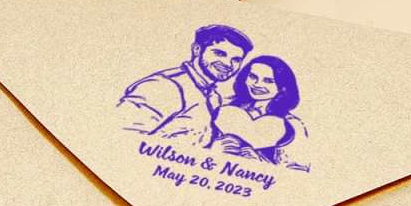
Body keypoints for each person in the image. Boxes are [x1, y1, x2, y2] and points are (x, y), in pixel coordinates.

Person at [118, 24, 253, 145]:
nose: (228, 64)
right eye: (220, 53)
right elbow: (122, 137)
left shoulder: (213, 97)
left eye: (236, 60)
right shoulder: (165, 85)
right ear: (197, 50)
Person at [213, 55, 310, 168]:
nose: (257, 84)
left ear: (282, 87)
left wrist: (259, 161)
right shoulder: (223, 106)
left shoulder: (291, 125)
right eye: (253, 77)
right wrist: (214, 149)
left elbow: (298, 170)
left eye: (268, 81)